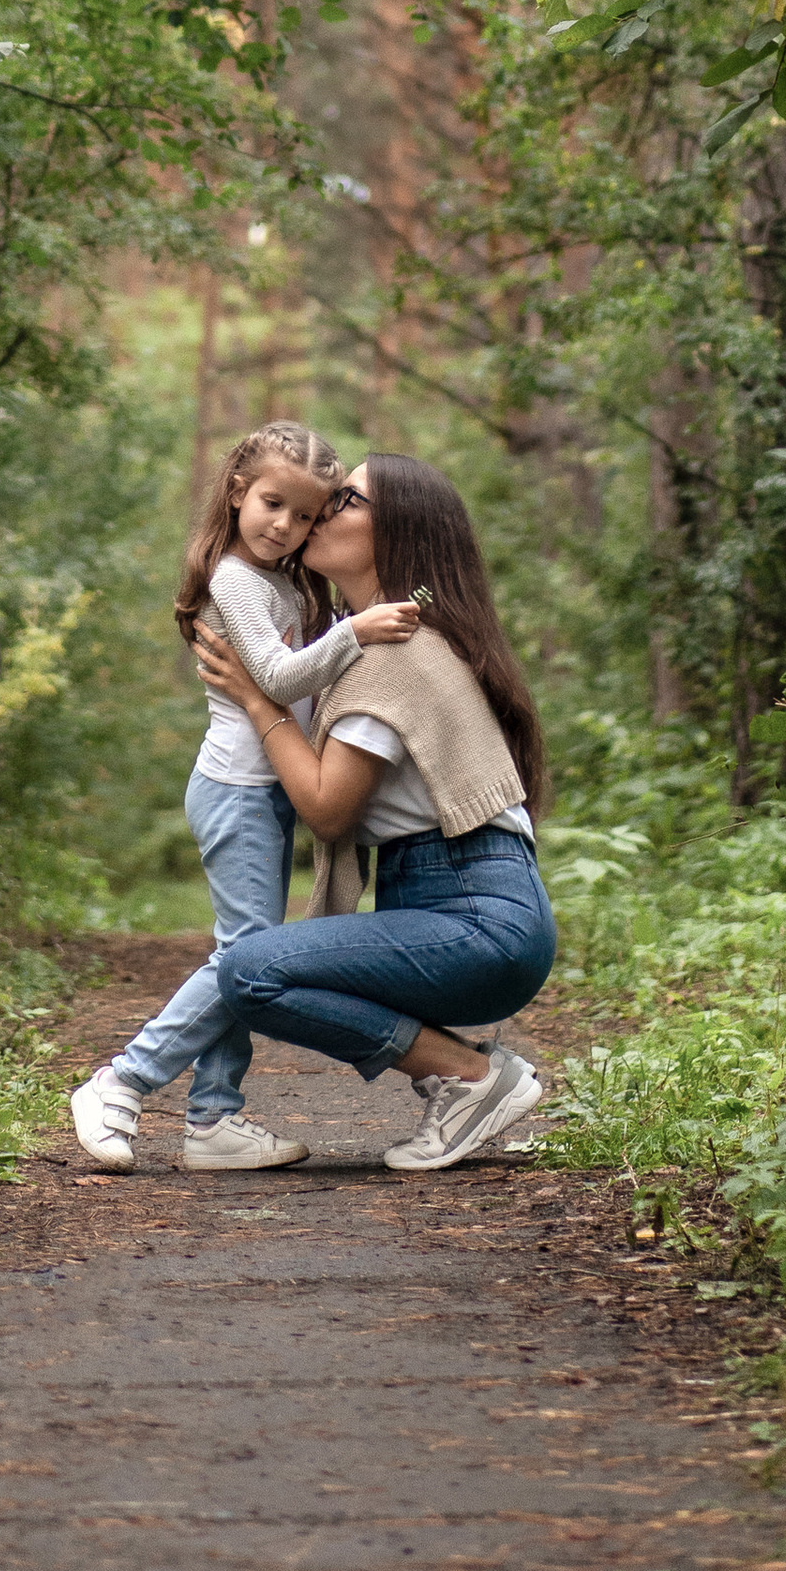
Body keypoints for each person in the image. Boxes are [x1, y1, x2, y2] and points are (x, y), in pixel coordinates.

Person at [69, 420, 425, 1173]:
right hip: (235, 791)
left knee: (246, 953)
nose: (286, 526)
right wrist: (357, 631)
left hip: (267, 791)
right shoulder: (234, 577)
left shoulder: (286, 580)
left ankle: (214, 1120)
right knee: (247, 957)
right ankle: (121, 1082)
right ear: (236, 492)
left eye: (305, 515)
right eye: (272, 504)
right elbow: (280, 677)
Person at [189, 450, 555, 1175]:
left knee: (254, 972)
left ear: (398, 535)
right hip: (463, 905)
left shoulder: (389, 656)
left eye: (345, 500)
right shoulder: (383, 638)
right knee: (268, 963)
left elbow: (327, 811)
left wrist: (259, 703)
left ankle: (474, 1077)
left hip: (478, 914)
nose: (319, 511)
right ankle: (463, 1076)